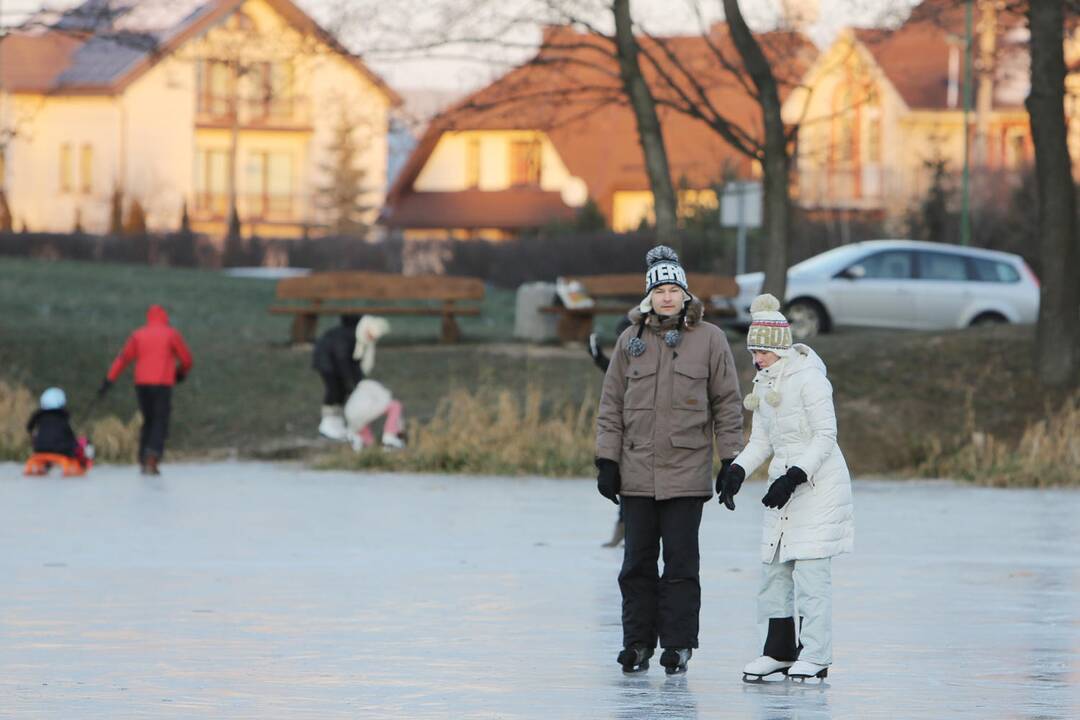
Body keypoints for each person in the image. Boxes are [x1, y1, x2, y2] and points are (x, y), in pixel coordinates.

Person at [595, 245, 744, 675]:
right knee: (636, 565)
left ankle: (678, 646)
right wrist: (607, 460)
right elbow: (611, 405)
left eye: (672, 288)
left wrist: (730, 460)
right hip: (637, 473)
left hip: (686, 474)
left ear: (684, 294)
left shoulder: (710, 340)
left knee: (680, 565)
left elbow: (728, 404)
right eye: (658, 289)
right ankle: (637, 644)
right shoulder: (630, 341)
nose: (665, 296)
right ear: (649, 295)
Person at [716, 293, 854, 682]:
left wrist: (794, 476)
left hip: (818, 486)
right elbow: (762, 440)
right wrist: (737, 472)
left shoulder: (810, 379)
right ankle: (778, 651)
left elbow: (826, 436)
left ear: (779, 348)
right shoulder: (764, 382)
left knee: (810, 574)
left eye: (762, 351)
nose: (756, 359)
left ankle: (816, 654)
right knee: (774, 571)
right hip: (783, 485)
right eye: (753, 351)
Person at [98, 304, 193, 475]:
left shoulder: (138, 335)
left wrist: (109, 380)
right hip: (162, 383)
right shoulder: (171, 334)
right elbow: (186, 359)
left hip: (141, 384)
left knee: (148, 419)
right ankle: (152, 457)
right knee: (160, 420)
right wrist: (179, 374)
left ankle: (143, 458)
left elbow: (123, 358)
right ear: (165, 317)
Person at [588, 318, 632, 548]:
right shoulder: (624, 359)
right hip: (626, 435)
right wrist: (598, 358)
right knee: (626, 485)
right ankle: (623, 529)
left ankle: (631, 531)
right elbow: (617, 373)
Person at [343, 315, 406, 450]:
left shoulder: (362, 393)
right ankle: (389, 436)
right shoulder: (381, 395)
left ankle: (359, 441)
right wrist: (397, 430)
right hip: (360, 407)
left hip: (351, 416)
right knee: (395, 406)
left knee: (370, 444)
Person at [313, 314, 363, 441]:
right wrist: (349, 379)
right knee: (333, 390)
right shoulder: (348, 335)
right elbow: (342, 357)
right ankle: (327, 424)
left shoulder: (348, 334)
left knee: (341, 392)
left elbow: (352, 360)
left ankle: (336, 423)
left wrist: (357, 380)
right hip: (327, 364)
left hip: (330, 363)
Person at [25, 387, 88, 471]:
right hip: (61, 450)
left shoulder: (38, 415)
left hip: (39, 449)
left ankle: (46, 466)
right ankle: (83, 466)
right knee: (82, 443)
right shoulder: (63, 416)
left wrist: (35, 439)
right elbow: (70, 435)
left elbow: (29, 428)